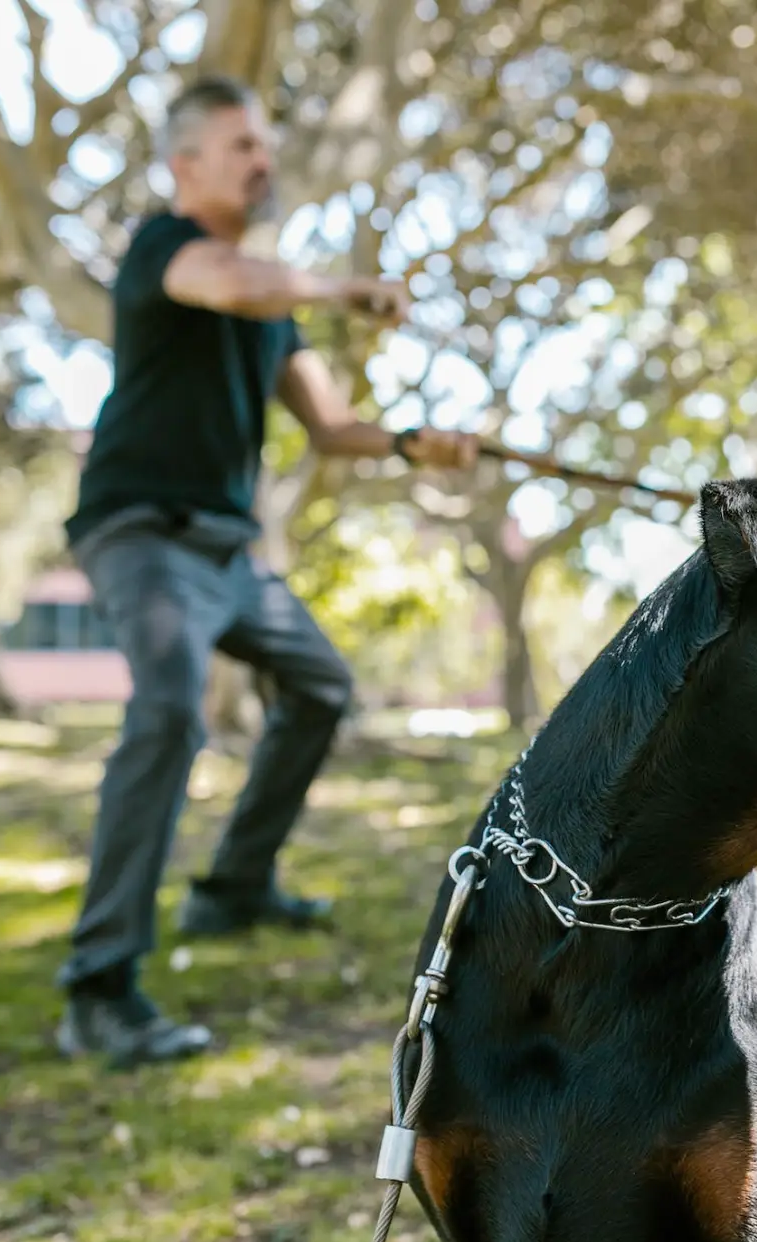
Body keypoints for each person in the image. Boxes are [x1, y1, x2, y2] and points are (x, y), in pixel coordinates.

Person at [55, 75, 479, 1067]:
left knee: (323, 684)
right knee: (169, 711)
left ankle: (234, 886)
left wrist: (416, 442)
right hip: (142, 529)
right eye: (241, 145)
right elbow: (236, 282)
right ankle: (99, 985)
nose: (262, 160)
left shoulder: (270, 304)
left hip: (226, 549)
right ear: (186, 162)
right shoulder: (168, 250)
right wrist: (341, 287)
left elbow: (329, 428)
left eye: (265, 145)